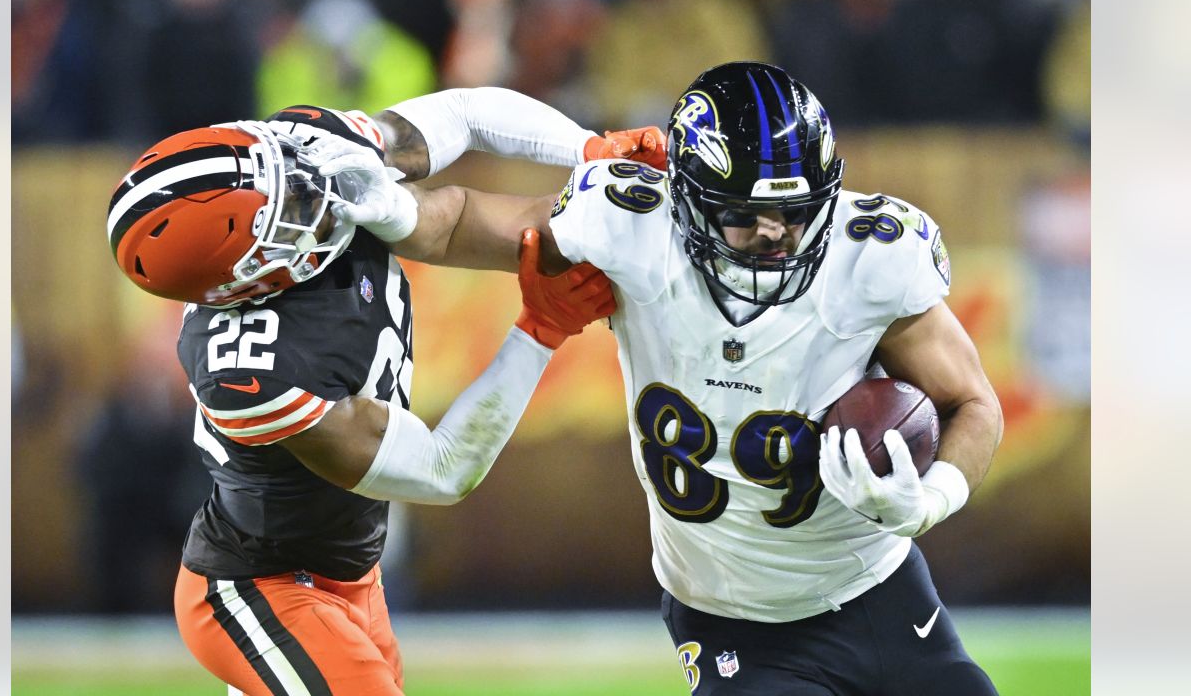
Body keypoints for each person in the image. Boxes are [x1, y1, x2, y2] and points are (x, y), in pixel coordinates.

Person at [325, 62, 1003, 694]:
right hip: (731, 615)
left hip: (875, 583)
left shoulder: (873, 258)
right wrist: (382, 204)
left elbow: (972, 402)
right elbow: (459, 228)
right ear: (686, 196)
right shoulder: (629, 223)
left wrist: (930, 500)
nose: (776, 235)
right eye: (744, 215)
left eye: (795, 213)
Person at [105, 95, 653, 694]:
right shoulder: (252, 373)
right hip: (263, 585)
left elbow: (466, 119)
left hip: (354, 573)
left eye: (284, 175)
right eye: (281, 210)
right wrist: (538, 333)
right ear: (237, 283)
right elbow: (444, 469)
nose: (309, 194)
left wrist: (589, 150)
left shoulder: (306, 149)